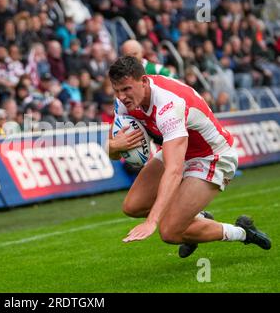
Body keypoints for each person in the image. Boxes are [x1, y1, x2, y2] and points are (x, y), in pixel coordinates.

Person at [107, 56, 271, 258]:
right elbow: (114, 152)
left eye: (126, 89)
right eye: (117, 90)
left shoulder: (168, 104)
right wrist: (114, 146)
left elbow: (174, 171)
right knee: (132, 206)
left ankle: (243, 232)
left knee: (169, 232)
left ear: (143, 81)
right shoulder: (125, 102)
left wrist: (151, 221)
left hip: (211, 157)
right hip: (178, 151)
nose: (122, 96)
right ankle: (198, 218)